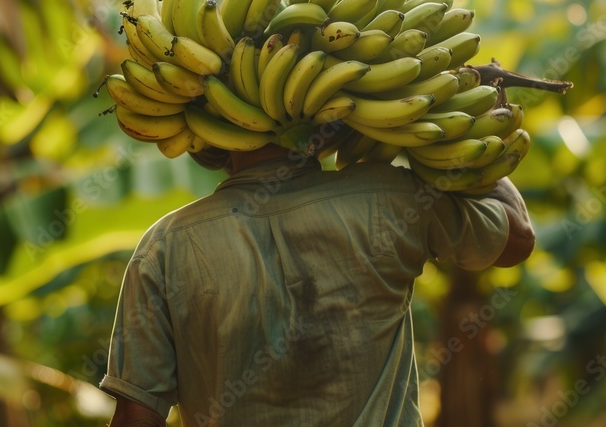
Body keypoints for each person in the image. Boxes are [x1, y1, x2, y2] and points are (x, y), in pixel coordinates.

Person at [99, 127, 536, 427]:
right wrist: (445, 130)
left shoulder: (165, 248)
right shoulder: (392, 196)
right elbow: (517, 238)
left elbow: (138, 419)